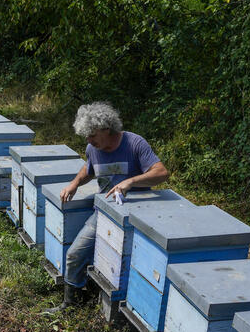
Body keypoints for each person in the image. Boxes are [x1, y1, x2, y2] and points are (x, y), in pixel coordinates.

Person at [44, 102, 170, 314]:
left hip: (137, 218)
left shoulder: (134, 143)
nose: (89, 140)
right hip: (104, 213)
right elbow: (89, 169)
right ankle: (71, 302)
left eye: (92, 135)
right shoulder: (93, 148)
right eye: (86, 136)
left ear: (106, 128)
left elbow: (162, 173)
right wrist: (74, 183)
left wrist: (131, 182)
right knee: (74, 254)